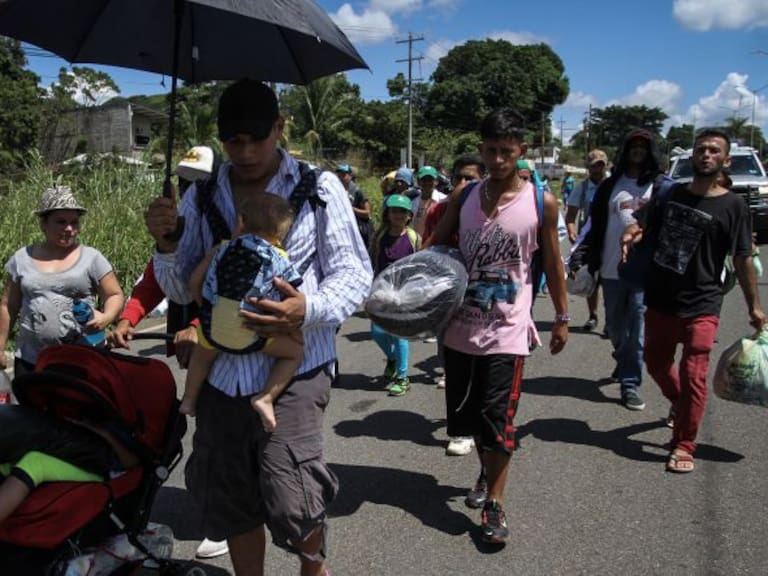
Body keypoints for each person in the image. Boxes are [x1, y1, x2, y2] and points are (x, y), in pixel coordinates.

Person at [144, 79, 372, 576]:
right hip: (221, 372)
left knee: (292, 490)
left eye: (256, 138)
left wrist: (305, 308)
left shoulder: (318, 188)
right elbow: (182, 289)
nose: (244, 151)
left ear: (279, 128)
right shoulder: (201, 195)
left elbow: (355, 273)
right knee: (232, 495)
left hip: (293, 367)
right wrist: (165, 244)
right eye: (232, 141)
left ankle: (312, 563)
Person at [429, 108, 568, 545]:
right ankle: (486, 472)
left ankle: (495, 504)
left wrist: (562, 317)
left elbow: (551, 261)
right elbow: (436, 248)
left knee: (497, 417)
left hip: (508, 328)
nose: (497, 160)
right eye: (490, 150)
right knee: (469, 417)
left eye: (506, 152)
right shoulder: (465, 196)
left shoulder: (540, 201)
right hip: (459, 328)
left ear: (521, 150)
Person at [620, 128, 765, 473]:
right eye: (701, 149)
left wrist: (754, 306)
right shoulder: (670, 195)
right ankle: (680, 404)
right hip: (661, 299)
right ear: (691, 156)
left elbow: (743, 258)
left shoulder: (733, 206)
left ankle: (684, 443)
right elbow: (643, 224)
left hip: (703, 303)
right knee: (655, 364)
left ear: (725, 160)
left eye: (714, 151)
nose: (706, 155)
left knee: (694, 373)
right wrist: (631, 233)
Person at [108, 146, 228, 561]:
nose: (187, 189)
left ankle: (228, 517)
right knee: (208, 430)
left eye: (197, 181)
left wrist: (198, 326)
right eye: (182, 180)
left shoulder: (224, 228)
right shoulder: (171, 231)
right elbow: (152, 284)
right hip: (196, 353)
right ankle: (225, 511)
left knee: (221, 434)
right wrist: (127, 320)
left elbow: (231, 293)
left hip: (230, 345)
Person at [182, 193, 304, 434]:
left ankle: (188, 399)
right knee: (294, 353)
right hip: (251, 330)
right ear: (281, 234)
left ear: (241, 222)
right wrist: (295, 330)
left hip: (213, 326)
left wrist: (206, 306)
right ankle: (266, 398)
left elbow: (195, 281)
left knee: (201, 355)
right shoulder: (279, 258)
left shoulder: (222, 248)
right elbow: (291, 299)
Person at [581, 129, 668, 411]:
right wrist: (584, 256)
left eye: (644, 146)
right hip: (611, 268)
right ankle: (623, 358)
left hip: (645, 271)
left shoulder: (661, 185)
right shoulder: (610, 185)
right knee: (617, 330)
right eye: (634, 146)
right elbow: (593, 226)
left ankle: (630, 384)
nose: (639, 150)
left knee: (637, 331)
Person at [0, 186, 124, 379]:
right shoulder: (21, 258)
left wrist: (106, 317)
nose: (69, 228)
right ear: (44, 223)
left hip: (83, 357)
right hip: (32, 359)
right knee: (31, 409)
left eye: (74, 222)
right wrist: (0, 347)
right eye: (61, 222)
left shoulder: (92, 258)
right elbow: (8, 305)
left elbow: (114, 294)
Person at [423, 153, 486, 457]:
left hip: (487, 300)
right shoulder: (439, 210)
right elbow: (427, 250)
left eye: (470, 178)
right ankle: (460, 429)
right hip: (449, 300)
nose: (462, 184)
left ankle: (484, 424)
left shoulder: (495, 209)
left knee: (483, 367)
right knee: (455, 365)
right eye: (458, 177)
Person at [0, 404, 139, 525]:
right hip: (76, 450)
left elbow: (132, 462)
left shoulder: (133, 424)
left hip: (103, 472)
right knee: (10, 461)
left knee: (34, 462)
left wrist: (104, 434)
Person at [368, 194, 421, 396]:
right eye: (394, 211)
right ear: (387, 214)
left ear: (409, 215)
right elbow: (372, 263)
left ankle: (402, 377)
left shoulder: (413, 238)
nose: (398, 215)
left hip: (404, 293)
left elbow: (420, 266)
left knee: (399, 335)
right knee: (378, 333)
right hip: (381, 292)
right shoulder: (379, 237)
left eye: (402, 211)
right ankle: (392, 359)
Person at [565, 149, 609, 332]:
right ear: (588, 167)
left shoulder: (613, 186)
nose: (597, 169)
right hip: (589, 240)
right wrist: (572, 232)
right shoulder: (581, 188)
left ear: (606, 166)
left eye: (601, 165)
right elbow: (570, 217)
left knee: (610, 281)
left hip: (611, 239)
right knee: (591, 279)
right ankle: (593, 316)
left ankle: (611, 321)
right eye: (594, 165)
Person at [335, 164, 373, 248]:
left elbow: (367, 213)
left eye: (343, 175)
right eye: (339, 176)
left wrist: (351, 209)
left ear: (350, 176)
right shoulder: (336, 190)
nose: (341, 178)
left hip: (359, 230)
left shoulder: (357, 191)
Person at [412, 165, 447, 237]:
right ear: (418, 182)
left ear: (436, 181)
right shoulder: (413, 203)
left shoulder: (444, 200)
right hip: (418, 244)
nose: (427, 183)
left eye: (430, 180)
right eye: (424, 180)